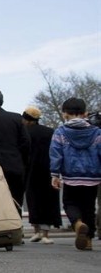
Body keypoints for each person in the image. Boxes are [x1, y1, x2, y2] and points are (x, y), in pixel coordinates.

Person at [50, 98, 101, 251]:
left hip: (71, 177)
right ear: (85, 113)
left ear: (65, 114)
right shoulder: (97, 132)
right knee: (89, 208)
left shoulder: (60, 132)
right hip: (92, 177)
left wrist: (54, 174)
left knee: (69, 204)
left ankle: (78, 224)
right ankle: (89, 240)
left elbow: (55, 154)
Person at [22, 106, 61, 244]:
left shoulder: (25, 133)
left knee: (33, 201)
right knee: (48, 201)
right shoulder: (50, 132)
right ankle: (46, 233)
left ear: (26, 119)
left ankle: (36, 231)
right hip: (48, 170)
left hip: (30, 171)